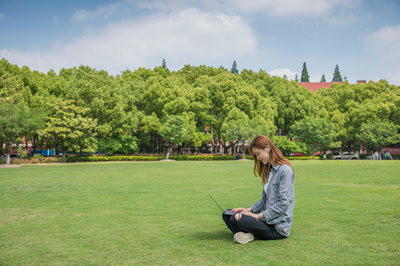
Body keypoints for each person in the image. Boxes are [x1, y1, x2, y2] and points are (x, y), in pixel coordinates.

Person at [222, 135, 295, 244]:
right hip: (265, 220)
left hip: (277, 227)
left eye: (258, 153)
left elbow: (283, 203)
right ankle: (251, 235)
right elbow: (264, 200)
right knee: (228, 215)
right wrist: (248, 210)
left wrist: (258, 216)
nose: (257, 158)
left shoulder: (285, 171)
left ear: (267, 148)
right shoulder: (268, 170)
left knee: (235, 219)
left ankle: (252, 234)